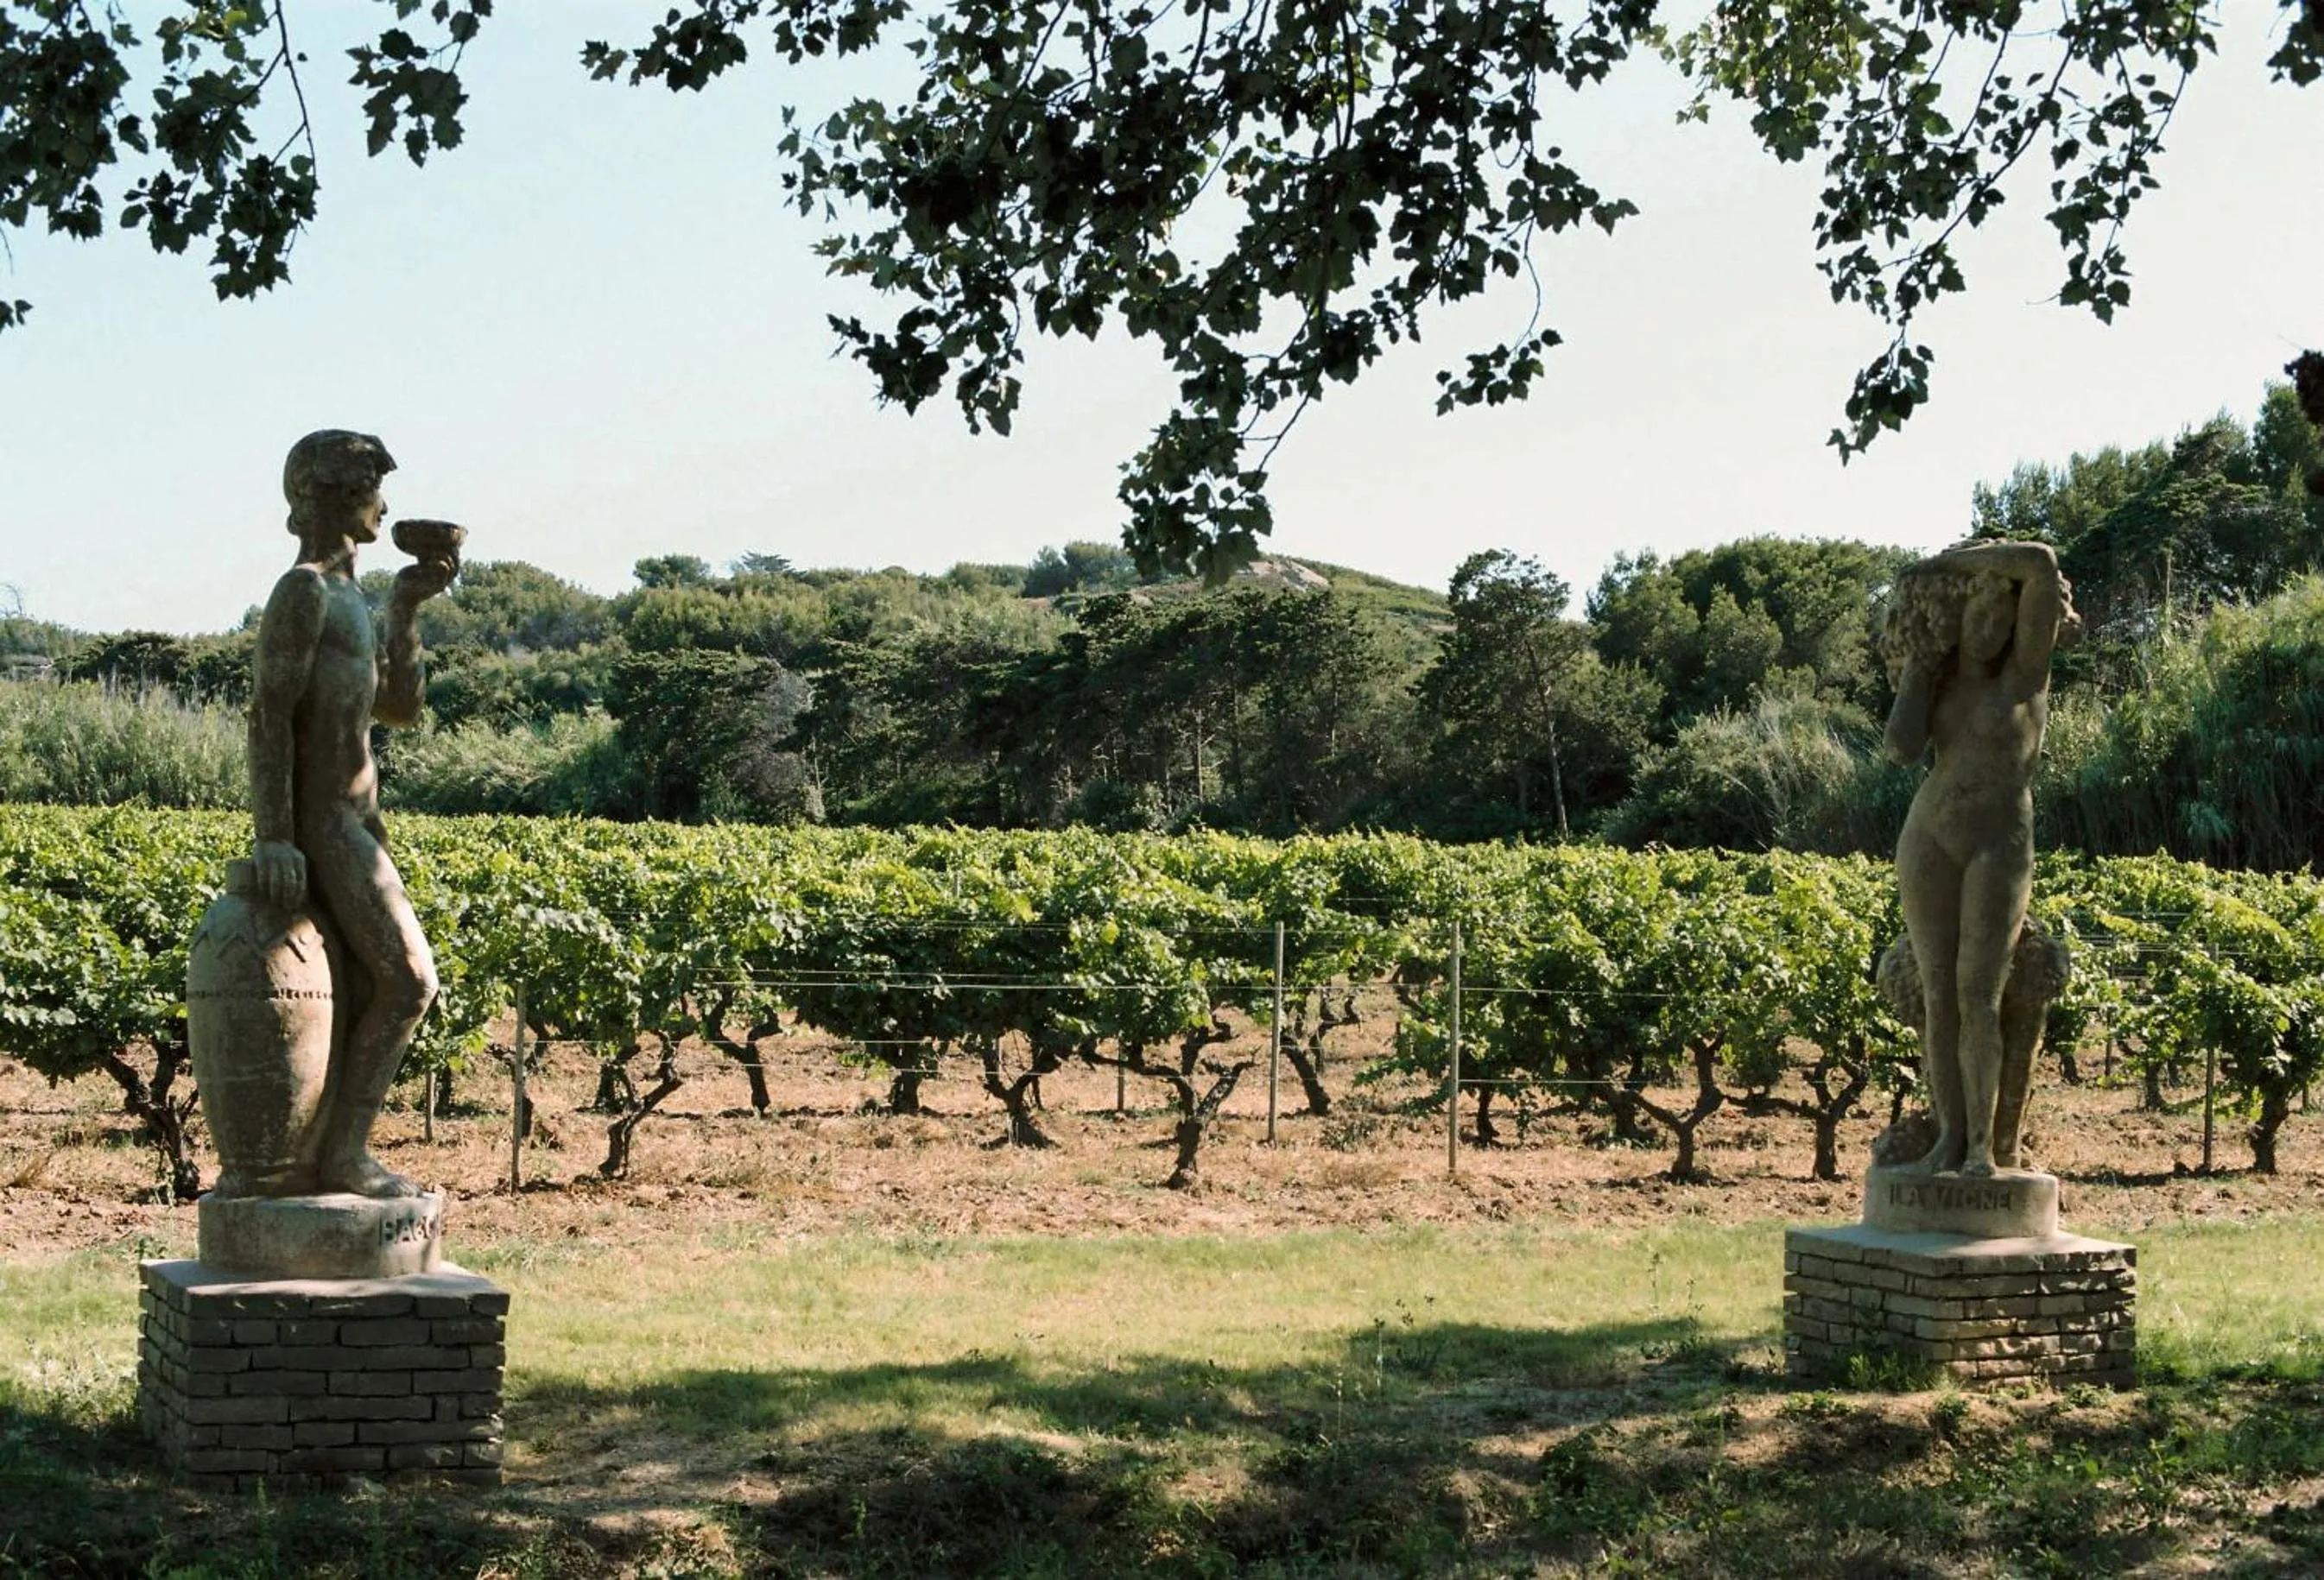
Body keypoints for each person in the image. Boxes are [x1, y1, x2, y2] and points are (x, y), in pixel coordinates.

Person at [243, 429, 454, 1198]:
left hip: (361, 820)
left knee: (371, 986)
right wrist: (275, 838)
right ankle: (343, 1155)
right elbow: (269, 714)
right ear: (333, 496)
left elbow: (399, 709)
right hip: (326, 819)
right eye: (372, 490)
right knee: (409, 981)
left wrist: (405, 606)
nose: (384, 508)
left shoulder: (352, 601)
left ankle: (329, 1153)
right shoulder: (302, 591)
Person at [1881, 540, 2080, 1178]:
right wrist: (1919, 664)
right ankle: (1949, 1138)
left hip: (1999, 842)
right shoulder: (1938, 681)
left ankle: (1983, 1150)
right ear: (1956, 617)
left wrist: (1947, 566)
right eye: (1978, 615)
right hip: (1929, 837)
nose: (1991, 628)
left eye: (2002, 617)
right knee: (1939, 995)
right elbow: (1899, 749)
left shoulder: (2025, 676)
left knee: (1979, 994)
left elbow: (2040, 563)